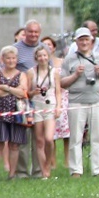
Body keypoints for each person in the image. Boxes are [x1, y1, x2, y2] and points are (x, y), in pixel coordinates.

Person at [61, 27, 99, 177]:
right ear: (76, 41)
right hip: (77, 101)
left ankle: (98, 169)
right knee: (76, 137)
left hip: (96, 100)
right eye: (81, 39)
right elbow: (62, 83)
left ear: (91, 41)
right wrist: (76, 75)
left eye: (86, 39)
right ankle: (76, 170)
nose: (84, 42)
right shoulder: (69, 59)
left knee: (97, 136)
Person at [0, 45, 29, 180]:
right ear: (3, 59)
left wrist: (6, 88)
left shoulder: (22, 74)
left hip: (17, 113)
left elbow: (23, 92)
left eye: (13, 58)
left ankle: (12, 174)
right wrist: (14, 89)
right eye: (8, 58)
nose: (11, 61)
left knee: (14, 144)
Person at [28, 45, 62, 178]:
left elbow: (58, 91)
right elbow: (28, 93)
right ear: (36, 57)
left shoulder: (54, 72)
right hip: (37, 106)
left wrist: (58, 106)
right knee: (39, 140)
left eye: (44, 55)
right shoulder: (31, 72)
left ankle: (48, 163)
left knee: (49, 138)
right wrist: (32, 92)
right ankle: (44, 171)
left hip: (50, 106)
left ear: (48, 57)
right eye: (40, 56)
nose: (42, 58)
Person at [15, 19, 43, 179]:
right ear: (25, 32)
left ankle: (38, 171)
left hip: (40, 99)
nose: (33, 35)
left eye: (36, 32)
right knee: (23, 137)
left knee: (39, 138)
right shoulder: (16, 49)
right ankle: (22, 172)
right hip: (23, 101)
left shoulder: (43, 48)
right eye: (30, 31)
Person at [41, 36, 69, 169]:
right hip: (47, 99)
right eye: (44, 44)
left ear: (54, 47)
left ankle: (67, 160)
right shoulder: (41, 65)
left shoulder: (62, 62)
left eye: (50, 44)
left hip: (63, 98)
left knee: (66, 132)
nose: (48, 47)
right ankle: (52, 161)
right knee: (51, 134)